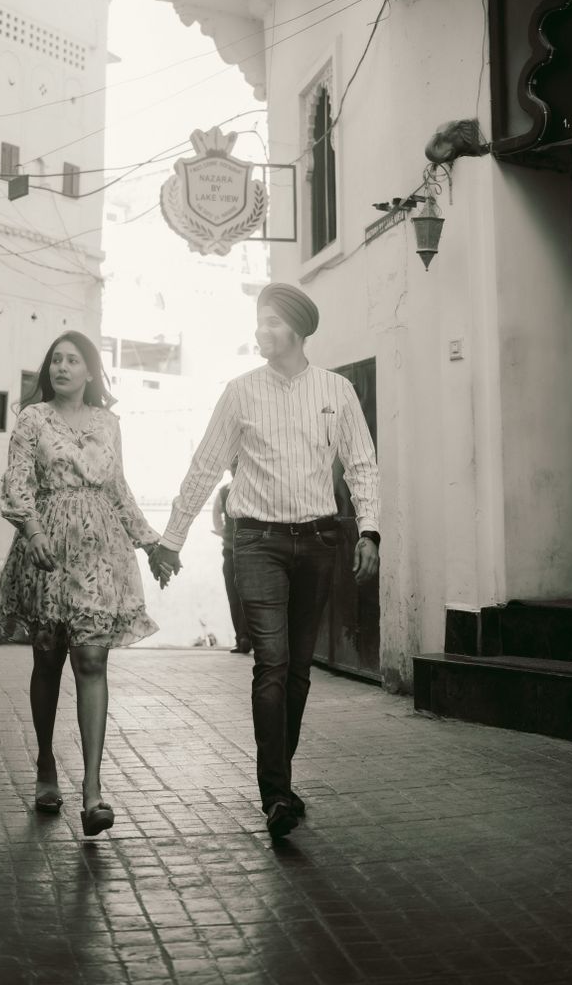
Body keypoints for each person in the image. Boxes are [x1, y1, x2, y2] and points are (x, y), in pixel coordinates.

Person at [151, 284, 380, 840]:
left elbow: (362, 464)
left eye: (273, 323)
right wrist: (172, 538)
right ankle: (275, 794)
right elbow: (206, 465)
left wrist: (369, 530)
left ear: (298, 331)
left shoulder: (337, 391)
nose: (262, 332)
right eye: (259, 322)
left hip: (320, 543)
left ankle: (282, 778)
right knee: (271, 662)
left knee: (298, 669)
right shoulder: (240, 393)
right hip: (257, 542)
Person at [0, 330, 169, 833]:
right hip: (46, 550)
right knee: (48, 657)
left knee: (92, 658)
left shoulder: (108, 423)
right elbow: (17, 482)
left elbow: (118, 489)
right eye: (56, 360)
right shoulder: (32, 419)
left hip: (99, 552)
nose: (62, 367)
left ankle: (92, 791)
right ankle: (46, 763)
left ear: (91, 372)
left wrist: (151, 544)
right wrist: (33, 528)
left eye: (72, 360)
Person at [212, 480, 251, 653]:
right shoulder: (223, 492)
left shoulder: (254, 485)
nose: (236, 467)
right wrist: (223, 532)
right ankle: (241, 637)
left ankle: (249, 638)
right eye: (233, 464)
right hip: (231, 550)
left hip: (253, 550)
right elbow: (215, 514)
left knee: (251, 595)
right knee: (234, 595)